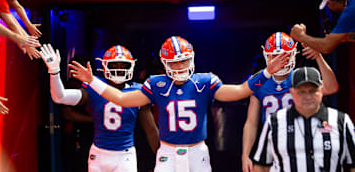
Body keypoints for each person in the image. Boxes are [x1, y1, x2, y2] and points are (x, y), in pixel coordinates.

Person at [68, 36, 290, 172]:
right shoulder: (156, 84)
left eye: (184, 60)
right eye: (175, 61)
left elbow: (241, 91)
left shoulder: (204, 81)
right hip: (167, 152)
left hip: (197, 150)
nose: (181, 66)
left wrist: (267, 72)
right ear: (165, 63)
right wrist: (92, 81)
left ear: (192, 59)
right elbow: (122, 99)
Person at [40, 44, 159, 172]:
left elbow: (151, 130)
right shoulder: (94, 87)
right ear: (104, 66)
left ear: (131, 66)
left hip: (125, 155)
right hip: (99, 154)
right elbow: (60, 97)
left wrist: (163, 160)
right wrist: (54, 72)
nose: (119, 69)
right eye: (114, 65)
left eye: (123, 65)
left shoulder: (137, 91)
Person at [242, 32, 339, 172]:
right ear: (267, 56)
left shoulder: (301, 76)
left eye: (285, 55)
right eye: (275, 56)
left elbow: (331, 87)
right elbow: (251, 123)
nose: (280, 60)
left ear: (293, 55)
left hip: (302, 141)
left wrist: (318, 56)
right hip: (272, 143)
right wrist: (245, 155)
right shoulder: (260, 81)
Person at [252, 67, 355, 172]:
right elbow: (261, 165)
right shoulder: (275, 122)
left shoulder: (341, 120)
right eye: (301, 92)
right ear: (291, 92)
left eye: (312, 91)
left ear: (321, 90)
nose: (308, 97)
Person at [291, 0, 355, 54]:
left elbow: (326, 47)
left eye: (327, 4)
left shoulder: (350, 10)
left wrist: (301, 36)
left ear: (331, 2)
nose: (328, 7)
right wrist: (341, 37)